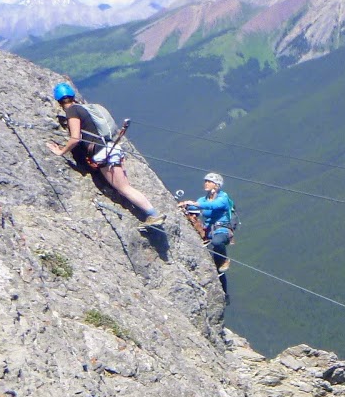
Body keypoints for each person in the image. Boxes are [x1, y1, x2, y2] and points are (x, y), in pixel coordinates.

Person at [45, 82, 163, 228]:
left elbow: (75, 138)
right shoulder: (84, 109)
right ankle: (152, 214)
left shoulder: (72, 111)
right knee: (125, 187)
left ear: (58, 101)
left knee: (124, 188)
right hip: (110, 147)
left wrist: (60, 151)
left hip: (102, 153)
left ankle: (152, 215)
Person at [179, 172, 235, 298]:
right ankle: (224, 293)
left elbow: (214, 205)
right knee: (217, 268)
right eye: (206, 181)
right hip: (209, 230)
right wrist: (186, 207)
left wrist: (195, 204)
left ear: (216, 185)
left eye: (209, 181)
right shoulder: (203, 199)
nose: (206, 183)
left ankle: (224, 258)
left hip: (222, 229)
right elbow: (197, 209)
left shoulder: (223, 198)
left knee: (217, 242)